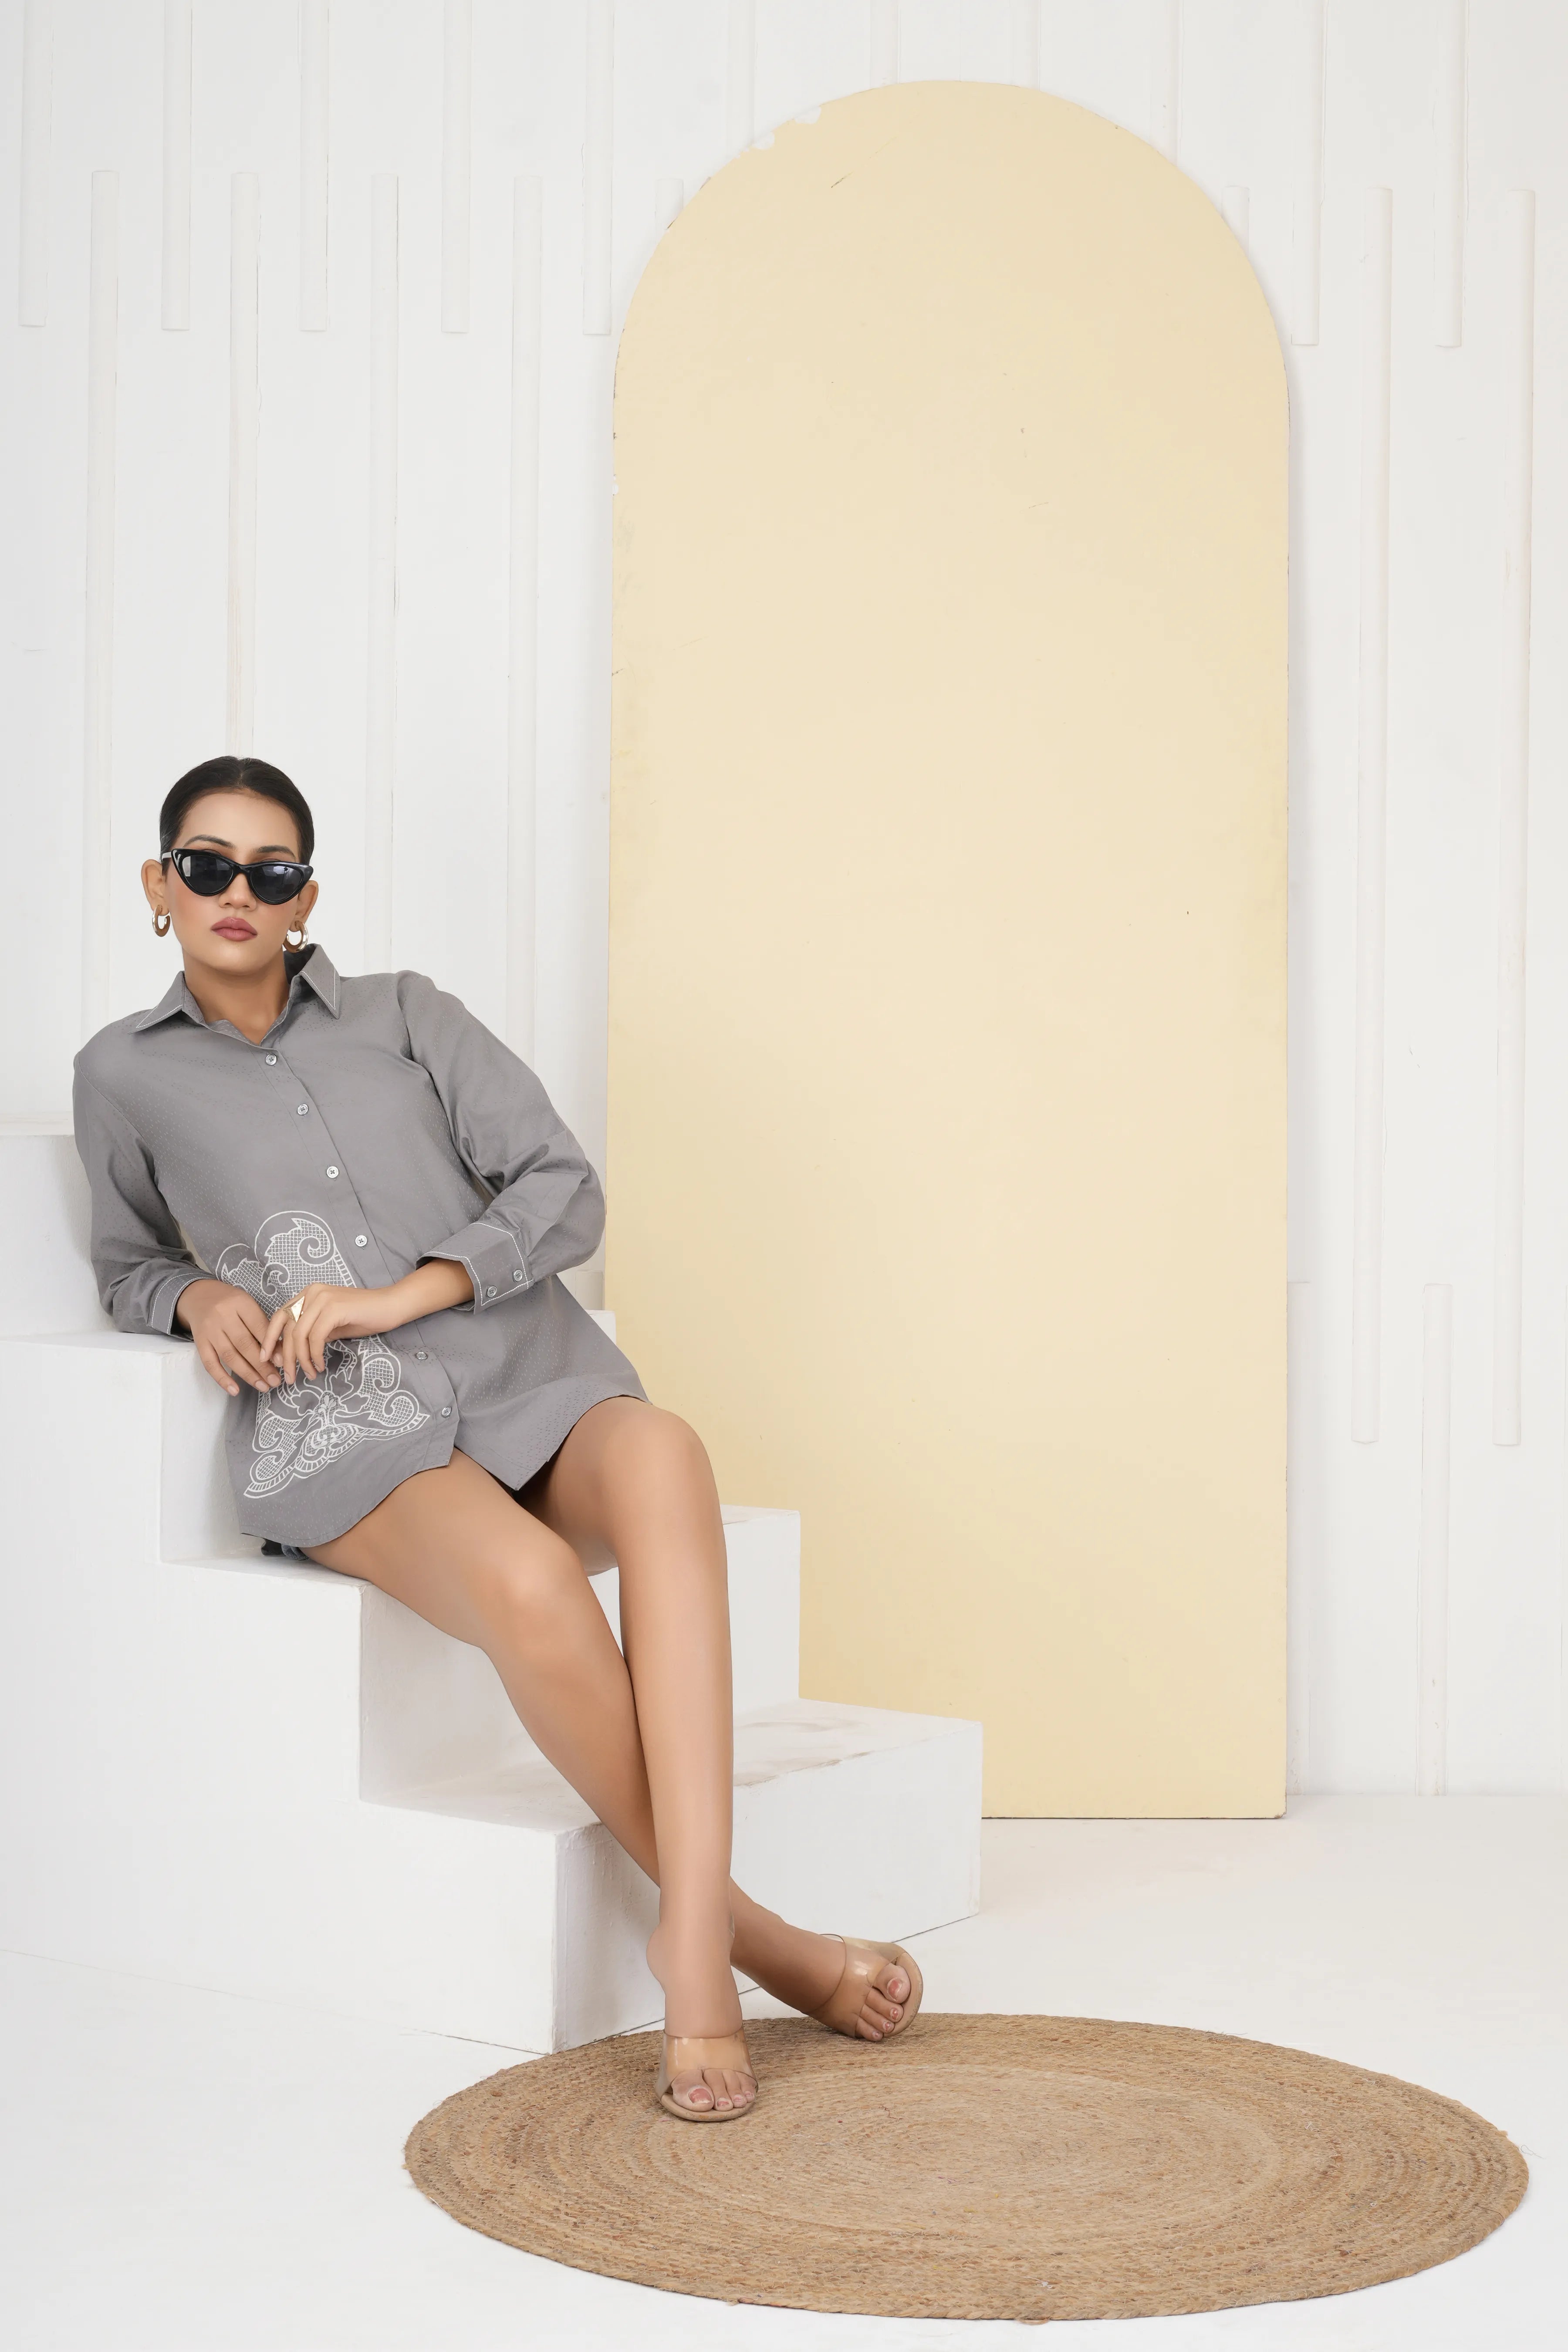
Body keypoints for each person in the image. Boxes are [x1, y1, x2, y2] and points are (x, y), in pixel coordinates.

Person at [72, 754, 922, 2121]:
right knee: (531, 1584)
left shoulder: (409, 1013)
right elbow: (127, 1264)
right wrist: (201, 1298)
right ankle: (735, 1946)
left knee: (669, 1454)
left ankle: (698, 1931)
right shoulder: (122, 1072)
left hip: (516, 1363)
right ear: (159, 883)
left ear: (307, 898)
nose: (239, 892)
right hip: (342, 1423)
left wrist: (404, 1292)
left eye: (272, 871)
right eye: (208, 864)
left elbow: (562, 1187)